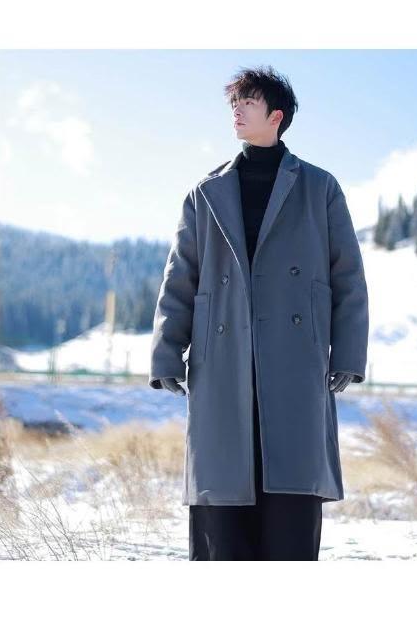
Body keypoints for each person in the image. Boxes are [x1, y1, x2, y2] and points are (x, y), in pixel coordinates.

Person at [149, 65, 369, 561]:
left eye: (247, 102)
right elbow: (180, 279)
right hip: (222, 360)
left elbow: (348, 278)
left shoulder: (319, 188)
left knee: (290, 502)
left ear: (276, 116)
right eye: (234, 103)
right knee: (221, 504)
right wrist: (165, 354)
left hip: (295, 360)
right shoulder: (204, 193)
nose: (236, 110)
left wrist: (348, 355)